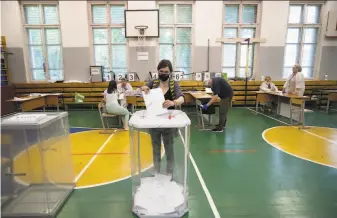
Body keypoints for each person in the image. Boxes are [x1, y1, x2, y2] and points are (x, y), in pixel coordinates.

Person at [141, 59, 184, 176]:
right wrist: (144, 88)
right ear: (157, 71)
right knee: (155, 148)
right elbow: (143, 87)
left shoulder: (173, 84)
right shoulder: (153, 83)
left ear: (170, 72)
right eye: (161, 71)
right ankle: (156, 171)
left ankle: (170, 173)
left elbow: (182, 98)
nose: (163, 73)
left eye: (166, 71)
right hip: (154, 122)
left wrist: (173, 102)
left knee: (169, 149)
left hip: (169, 123)